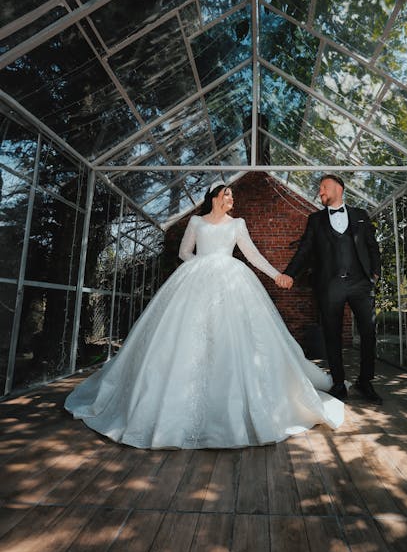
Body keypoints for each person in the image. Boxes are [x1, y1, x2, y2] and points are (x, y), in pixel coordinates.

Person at [65, 180, 344, 449]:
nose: (231, 199)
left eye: (232, 195)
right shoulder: (196, 223)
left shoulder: (238, 224)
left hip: (233, 281)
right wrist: (202, 266)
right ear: (214, 197)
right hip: (196, 280)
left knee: (232, 336)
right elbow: (185, 252)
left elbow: (252, 255)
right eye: (227, 194)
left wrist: (276, 275)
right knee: (187, 336)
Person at [278, 174, 382, 404]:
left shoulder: (360, 216)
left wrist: (375, 274)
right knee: (331, 335)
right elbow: (304, 250)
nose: (320, 192)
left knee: (369, 332)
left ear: (338, 188)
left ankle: (366, 381)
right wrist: (289, 273)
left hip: (360, 284)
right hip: (330, 285)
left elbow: (372, 246)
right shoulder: (315, 220)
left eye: (323, 187)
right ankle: (338, 383)